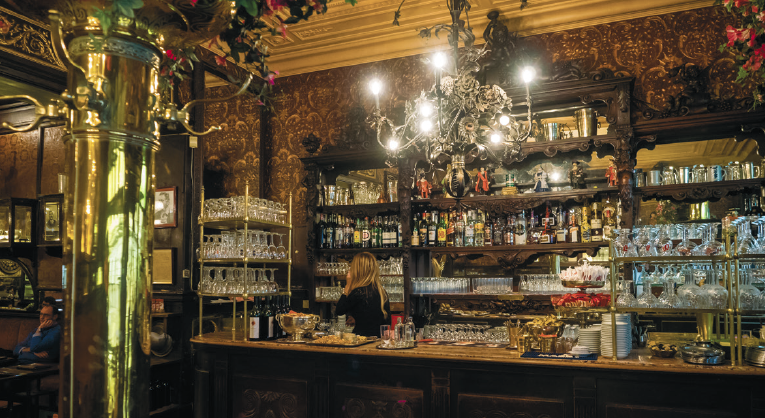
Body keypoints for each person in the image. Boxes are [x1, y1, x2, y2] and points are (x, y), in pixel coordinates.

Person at [335, 253, 390, 337]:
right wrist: (356, 318)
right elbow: (385, 321)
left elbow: (339, 311)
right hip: (378, 341)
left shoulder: (358, 292)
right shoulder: (382, 292)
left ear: (357, 270)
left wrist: (347, 287)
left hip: (361, 341)